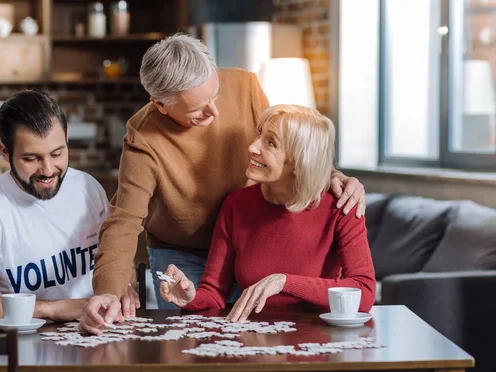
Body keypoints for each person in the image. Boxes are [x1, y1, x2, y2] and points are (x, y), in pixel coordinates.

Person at [80, 34, 366, 332]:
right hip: (183, 253)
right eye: (197, 110)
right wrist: (110, 291)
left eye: (215, 97)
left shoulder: (246, 86)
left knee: (246, 342)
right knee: (191, 345)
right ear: (160, 105)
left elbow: (289, 145)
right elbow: (124, 221)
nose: (214, 113)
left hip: (247, 245)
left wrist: (333, 175)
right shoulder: (142, 138)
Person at [0, 90, 134, 325]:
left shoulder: (88, 188)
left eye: (57, 153)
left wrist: (122, 285)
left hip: (99, 333)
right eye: (31, 159)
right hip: (24, 342)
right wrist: (49, 309)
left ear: (67, 137)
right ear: (5, 151)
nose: (47, 170)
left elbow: (116, 254)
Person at [159, 105, 376, 320]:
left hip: (321, 342)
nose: (252, 147)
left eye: (271, 143)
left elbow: (364, 294)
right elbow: (214, 293)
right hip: (253, 341)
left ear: (300, 162)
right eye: (260, 135)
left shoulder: (342, 206)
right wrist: (190, 298)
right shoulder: (237, 204)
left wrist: (284, 282)